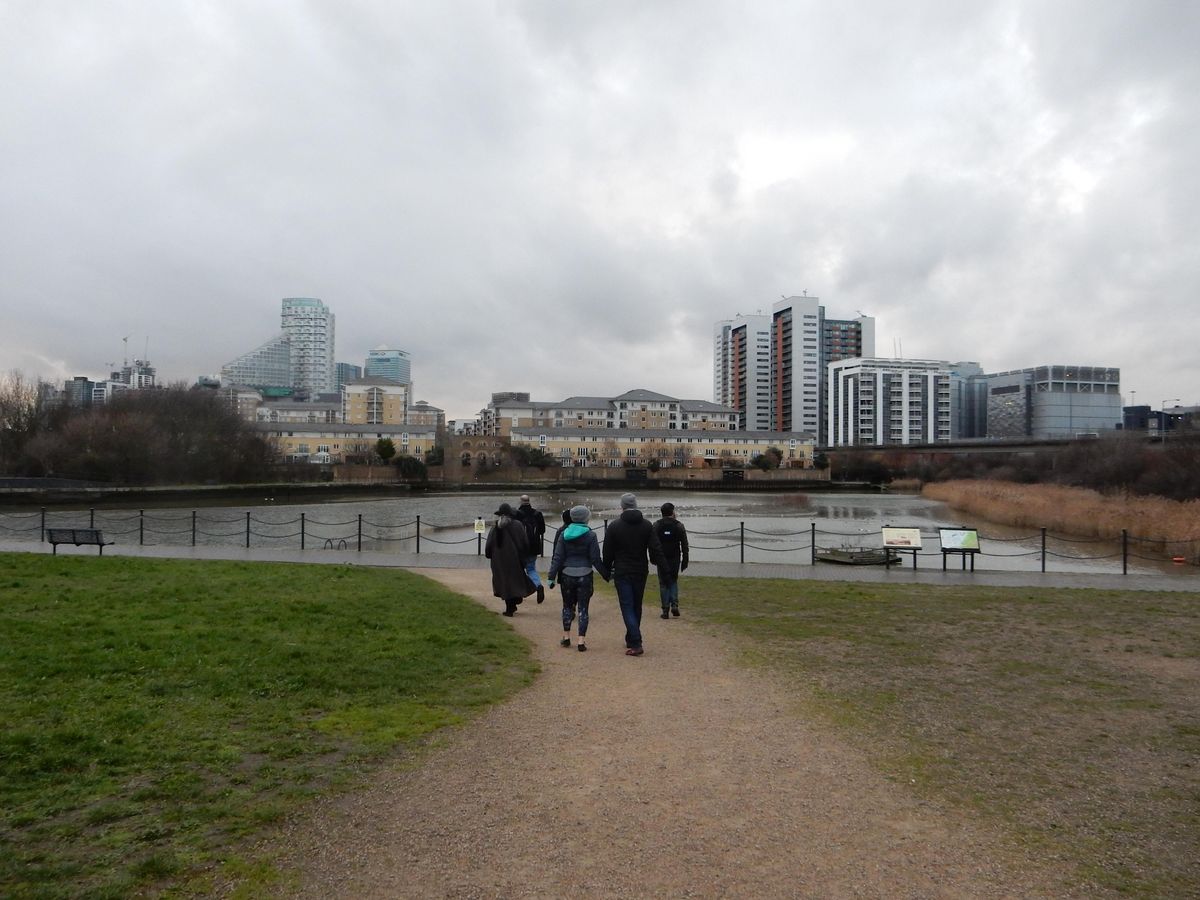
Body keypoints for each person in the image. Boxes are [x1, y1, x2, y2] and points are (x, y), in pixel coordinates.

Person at [602, 492, 663, 657]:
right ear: (635, 505)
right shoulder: (647, 525)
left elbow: (607, 551)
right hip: (640, 569)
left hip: (622, 570)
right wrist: (657, 562)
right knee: (636, 604)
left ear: (622, 506)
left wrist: (606, 570)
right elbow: (655, 547)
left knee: (627, 605)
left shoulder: (614, 526)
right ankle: (631, 637)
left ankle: (635, 641)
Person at [547, 505, 610, 652]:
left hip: (567, 574)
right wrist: (605, 574)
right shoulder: (591, 535)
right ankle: (581, 640)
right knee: (583, 608)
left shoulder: (563, 534)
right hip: (585, 574)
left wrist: (551, 576)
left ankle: (566, 636)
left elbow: (558, 557)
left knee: (567, 606)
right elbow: (595, 558)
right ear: (586, 518)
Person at [484, 502, 533, 616]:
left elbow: (488, 545)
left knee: (504, 582)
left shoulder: (495, 528)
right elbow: (524, 543)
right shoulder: (518, 525)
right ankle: (514, 602)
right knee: (515, 580)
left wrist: (489, 555)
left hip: (498, 560)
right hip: (514, 559)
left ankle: (510, 607)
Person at [653, 502, 689, 618]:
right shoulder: (679, 525)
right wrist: (685, 560)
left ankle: (665, 609)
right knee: (673, 580)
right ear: (672, 512)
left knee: (663, 583)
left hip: (661, 558)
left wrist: (653, 558)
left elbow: (652, 544)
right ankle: (674, 605)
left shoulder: (656, 525)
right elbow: (684, 544)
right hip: (675, 558)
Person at [516, 494, 547, 603]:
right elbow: (542, 530)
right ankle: (538, 586)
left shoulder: (517, 514)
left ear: (520, 502)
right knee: (531, 569)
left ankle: (520, 592)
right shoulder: (537, 514)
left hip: (520, 547)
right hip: (534, 547)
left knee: (518, 570)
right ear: (529, 501)